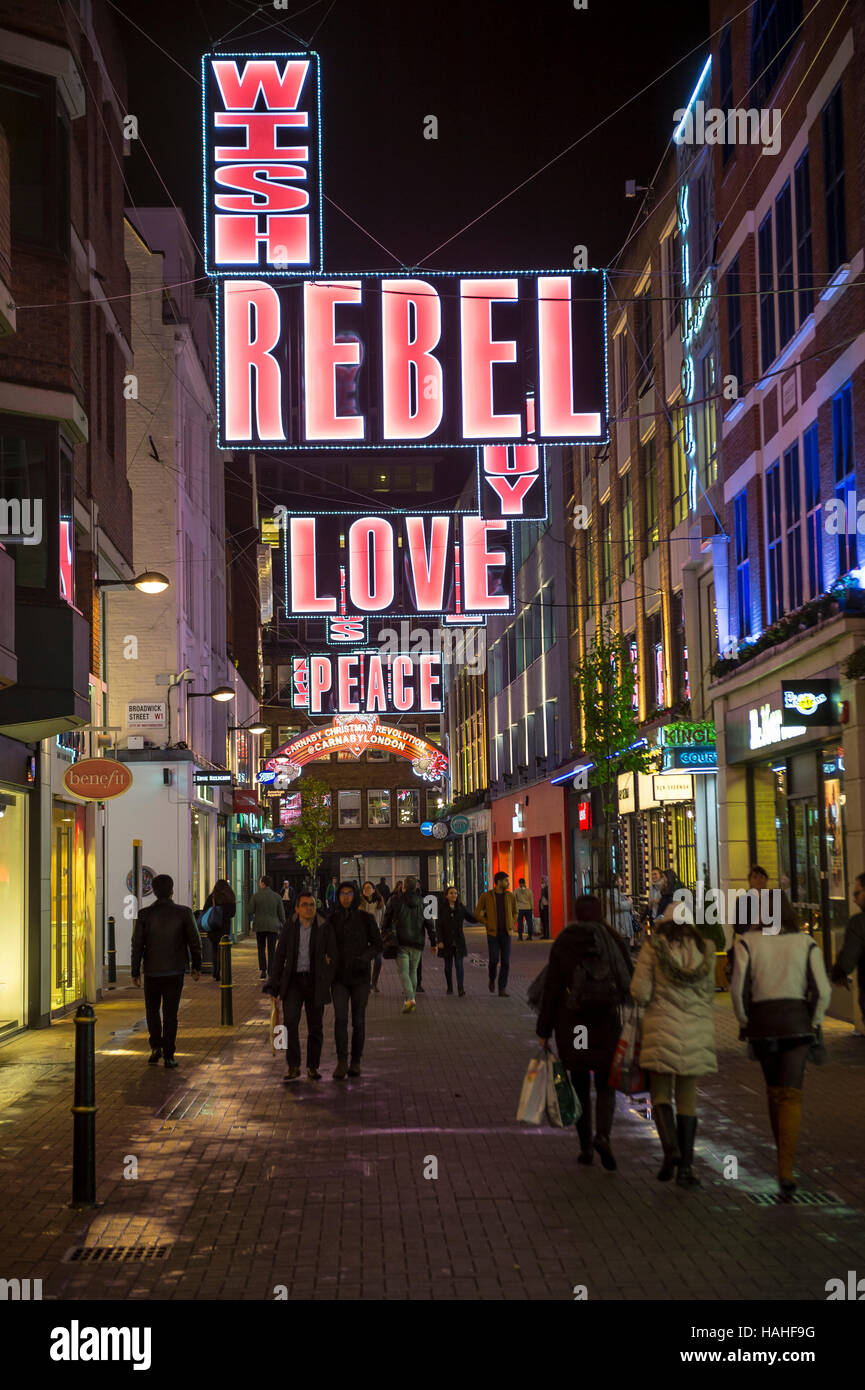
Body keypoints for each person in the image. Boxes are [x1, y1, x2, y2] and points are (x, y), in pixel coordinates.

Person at [731, 909, 831, 1196]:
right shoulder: (806, 943)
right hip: (797, 1023)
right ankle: (785, 1167)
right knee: (791, 1094)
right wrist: (814, 1021)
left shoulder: (747, 942)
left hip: (763, 1023)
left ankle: (782, 1161)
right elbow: (822, 991)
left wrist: (743, 1020)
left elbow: (737, 989)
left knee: (774, 1091)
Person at [537, 895, 633, 1168]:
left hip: (573, 1022)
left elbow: (552, 987)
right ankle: (603, 1135)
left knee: (579, 1080)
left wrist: (543, 1029)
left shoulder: (565, 940)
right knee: (605, 1082)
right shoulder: (612, 940)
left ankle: (585, 1147)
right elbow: (628, 978)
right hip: (605, 1020)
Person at [630, 901, 717, 1187]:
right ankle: (687, 1168)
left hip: (661, 1029)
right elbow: (709, 994)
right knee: (688, 1099)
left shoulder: (654, 947)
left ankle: (671, 1151)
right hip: (695, 1031)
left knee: (660, 1094)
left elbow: (640, 992)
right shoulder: (705, 949)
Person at [131, 874, 202, 1069]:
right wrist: (196, 966)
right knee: (171, 1013)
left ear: (154, 891)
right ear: (172, 890)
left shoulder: (145, 914)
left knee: (152, 1010)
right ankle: (169, 1054)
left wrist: (135, 970)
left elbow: (137, 944)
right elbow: (195, 942)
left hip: (152, 971)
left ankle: (156, 1046)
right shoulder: (184, 913)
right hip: (174, 971)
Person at [267, 889, 338, 1081]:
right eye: (305, 905)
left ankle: (313, 1067)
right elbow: (279, 956)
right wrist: (274, 984)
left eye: (312, 905)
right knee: (290, 1022)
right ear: (297, 908)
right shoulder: (290, 927)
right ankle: (293, 1066)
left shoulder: (324, 927)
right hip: (293, 983)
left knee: (316, 1026)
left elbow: (333, 953)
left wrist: (327, 976)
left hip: (315, 982)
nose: (309, 908)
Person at [328, 882, 382, 1078]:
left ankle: (355, 1061)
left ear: (355, 895)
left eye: (349, 893)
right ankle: (342, 1061)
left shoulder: (366, 919)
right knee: (340, 1018)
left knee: (358, 1020)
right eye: (342, 893)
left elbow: (377, 944)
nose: (346, 897)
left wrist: (364, 958)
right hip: (339, 978)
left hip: (360, 977)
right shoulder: (332, 919)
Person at [382, 875, 435, 1013]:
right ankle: (409, 999)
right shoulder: (424, 902)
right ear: (416, 887)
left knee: (403, 971)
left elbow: (386, 919)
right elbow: (429, 924)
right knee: (413, 971)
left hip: (400, 941)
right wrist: (433, 942)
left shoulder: (394, 900)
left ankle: (410, 998)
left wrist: (384, 933)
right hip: (417, 942)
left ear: (403, 886)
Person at [832, 873, 865, 1032]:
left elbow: (848, 958)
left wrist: (839, 972)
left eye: (857, 893)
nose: (854, 899)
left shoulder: (859, 922)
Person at [475, 871, 517, 996]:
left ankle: (502, 988)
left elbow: (515, 912)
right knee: (493, 959)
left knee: (505, 961)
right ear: (498, 882)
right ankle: (492, 978)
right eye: (505, 880)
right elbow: (477, 913)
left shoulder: (510, 896)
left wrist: (511, 923)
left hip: (506, 933)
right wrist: (487, 922)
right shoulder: (486, 896)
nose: (508, 883)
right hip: (493, 934)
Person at [436, 886, 480, 995]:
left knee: (459, 965)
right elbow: (439, 926)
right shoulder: (442, 908)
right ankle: (449, 987)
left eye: (455, 893)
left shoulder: (461, 908)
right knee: (448, 966)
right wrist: (439, 941)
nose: (454, 895)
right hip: (446, 941)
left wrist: (482, 915)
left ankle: (461, 988)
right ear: (446, 895)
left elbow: (472, 918)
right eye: (451, 893)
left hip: (458, 941)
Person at [249, 874, 286, 979]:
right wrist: (284, 924)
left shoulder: (256, 896)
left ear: (263, 883)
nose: (259, 884)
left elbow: (250, 910)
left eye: (260, 882)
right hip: (273, 926)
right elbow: (281, 914)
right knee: (271, 949)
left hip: (260, 926)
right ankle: (271, 970)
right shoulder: (277, 897)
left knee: (261, 948)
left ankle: (263, 970)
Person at [202, 879, 236, 981]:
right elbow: (232, 913)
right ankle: (222, 969)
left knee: (214, 949)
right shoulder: (230, 897)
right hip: (224, 927)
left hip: (213, 927)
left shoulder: (212, 897)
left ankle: (215, 971)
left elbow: (205, 910)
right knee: (223, 950)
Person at [359, 880, 385, 992]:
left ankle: (374, 982)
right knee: (365, 960)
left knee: (378, 960)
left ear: (374, 890)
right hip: (364, 936)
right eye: (365, 888)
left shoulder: (380, 903)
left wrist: (382, 930)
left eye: (369, 888)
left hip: (377, 936)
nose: (367, 890)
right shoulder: (360, 903)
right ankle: (366, 982)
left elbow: (384, 918)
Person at [609, 876, 634, 944]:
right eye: (619, 878)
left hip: (622, 927)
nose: (621, 880)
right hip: (619, 927)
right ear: (615, 881)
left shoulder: (617, 892)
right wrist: (629, 902)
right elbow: (618, 906)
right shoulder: (612, 893)